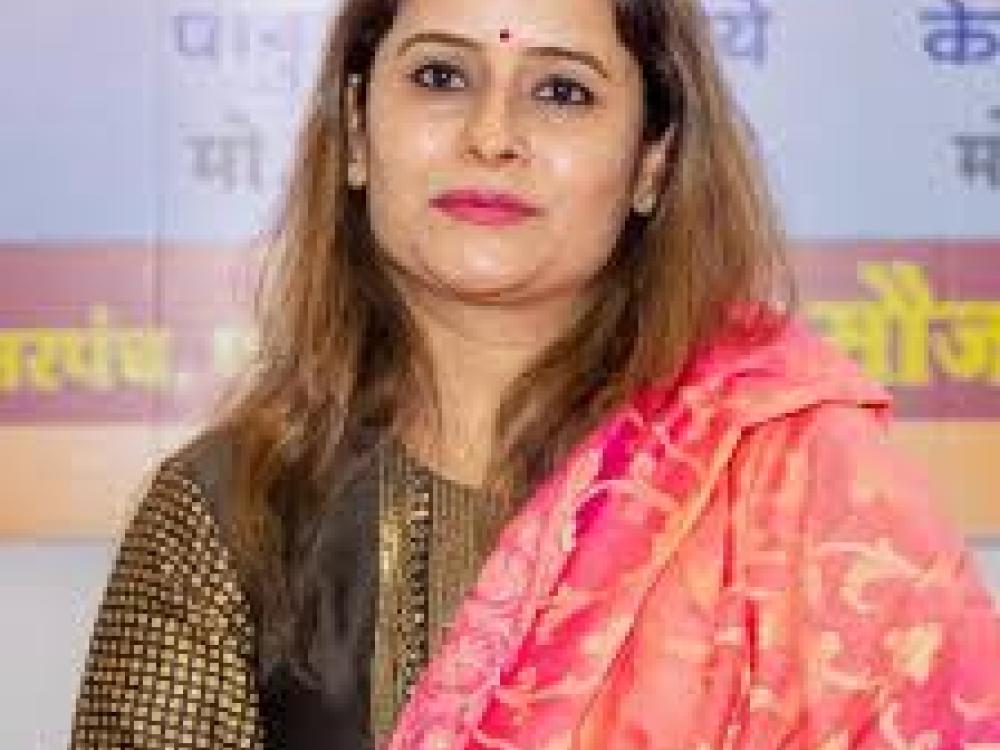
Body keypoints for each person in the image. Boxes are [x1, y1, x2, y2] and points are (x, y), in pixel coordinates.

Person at [70, 0, 1000, 747]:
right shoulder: (229, 516)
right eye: (441, 76)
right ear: (355, 129)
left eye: (561, 91)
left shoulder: (795, 486)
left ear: (651, 163)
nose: (493, 135)